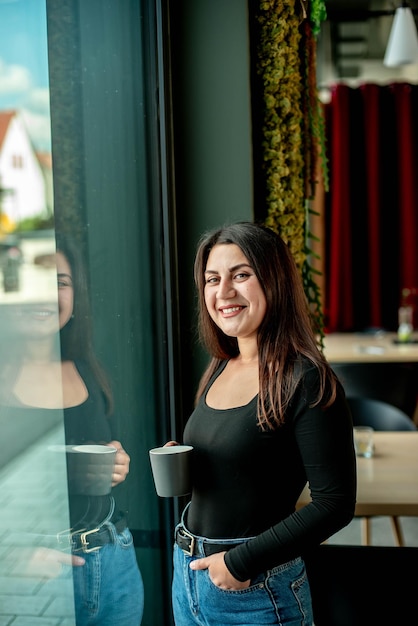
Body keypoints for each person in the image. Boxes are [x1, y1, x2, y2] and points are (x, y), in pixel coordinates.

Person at [166, 221, 357, 626]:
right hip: (188, 573)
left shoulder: (306, 379)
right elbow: (247, 460)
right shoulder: (222, 364)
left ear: (274, 281)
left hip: (255, 587)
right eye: (212, 279)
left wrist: (239, 563)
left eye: (241, 275)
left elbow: (334, 504)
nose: (224, 292)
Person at [0, 233, 144, 625]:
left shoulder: (87, 369)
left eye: (60, 282)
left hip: (114, 561)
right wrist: (13, 558)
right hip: (34, 576)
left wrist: (119, 463)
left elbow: (104, 452)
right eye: (34, 278)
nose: (46, 295)